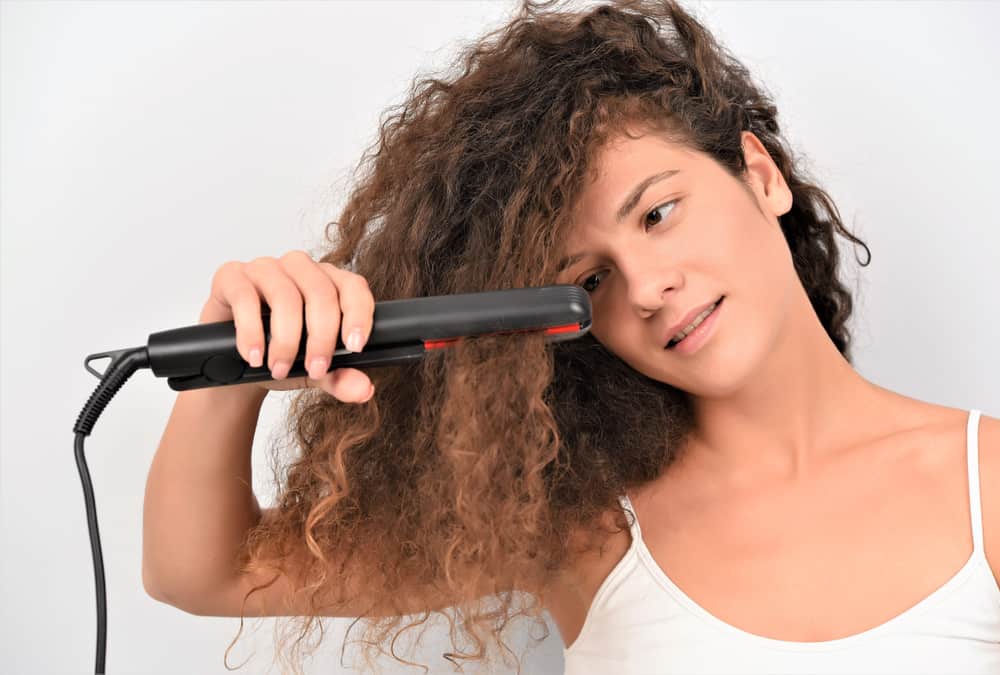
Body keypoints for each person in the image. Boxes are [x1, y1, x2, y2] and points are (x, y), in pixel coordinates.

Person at [141, 1, 1000, 674]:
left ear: (760, 175)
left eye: (659, 213)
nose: (649, 287)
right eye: (590, 278)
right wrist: (233, 362)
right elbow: (201, 572)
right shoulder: (587, 528)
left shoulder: (984, 484)